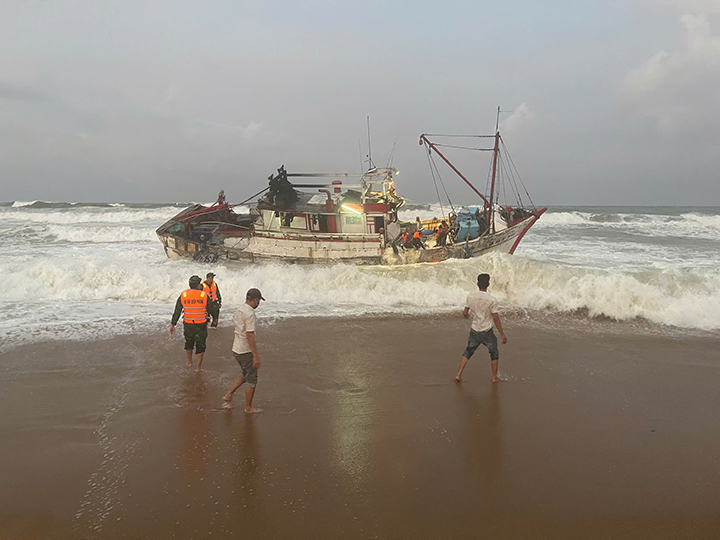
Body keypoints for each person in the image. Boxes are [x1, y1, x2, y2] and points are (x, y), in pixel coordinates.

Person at [455, 273, 507, 383]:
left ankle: (459, 374)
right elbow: (496, 318)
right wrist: (502, 334)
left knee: (468, 352)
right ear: (488, 284)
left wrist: (467, 316)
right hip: (487, 331)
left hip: (475, 329)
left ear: (477, 283)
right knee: (494, 353)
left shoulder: (470, 296)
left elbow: (465, 312)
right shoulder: (492, 300)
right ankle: (494, 377)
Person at [223, 288, 265, 413]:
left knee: (245, 374)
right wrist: (255, 355)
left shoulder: (239, 310)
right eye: (259, 301)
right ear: (256, 300)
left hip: (236, 349)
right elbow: (250, 335)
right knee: (252, 379)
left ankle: (228, 395)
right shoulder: (250, 314)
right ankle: (248, 408)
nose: (259, 304)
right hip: (245, 351)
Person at [170, 275, 209, 372]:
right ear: (197, 285)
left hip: (188, 324)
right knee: (200, 345)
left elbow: (177, 310)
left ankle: (189, 362)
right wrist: (215, 318)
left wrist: (173, 324)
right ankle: (198, 367)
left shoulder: (184, 295)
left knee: (189, 343)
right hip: (201, 325)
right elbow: (211, 308)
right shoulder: (203, 295)